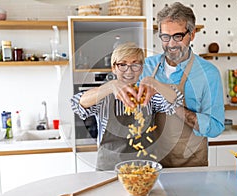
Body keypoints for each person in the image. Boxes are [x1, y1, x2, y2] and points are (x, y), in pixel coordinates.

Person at [136, 2, 225, 167]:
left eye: (178, 36)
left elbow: (215, 127)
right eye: (165, 37)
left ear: (192, 34)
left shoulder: (208, 74)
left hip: (190, 164)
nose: (171, 44)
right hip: (151, 165)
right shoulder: (146, 67)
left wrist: (174, 106)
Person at [71, 42, 183, 171]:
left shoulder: (148, 94)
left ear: (141, 68)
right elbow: (77, 104)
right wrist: (110, 86)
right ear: (114, 68)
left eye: (135, 65)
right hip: (109, 170)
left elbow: (176, 100)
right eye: (122, 65)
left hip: (145, 169)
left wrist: (156, 84)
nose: (129, 71)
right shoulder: (104, 96)